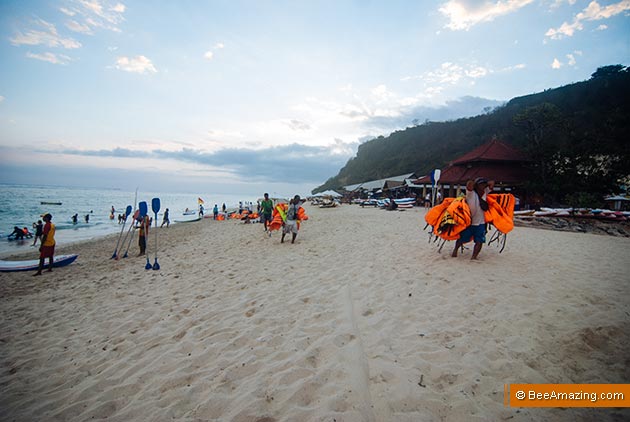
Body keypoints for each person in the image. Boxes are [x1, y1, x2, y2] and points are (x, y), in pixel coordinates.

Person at [452, 177, 494, 260]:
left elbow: (492, 182)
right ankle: (455, 250)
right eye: (480, 184)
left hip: (481, 222)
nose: (482, 186)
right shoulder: (470, 193)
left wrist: (485, 184)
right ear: (476, 185)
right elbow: (469, 185)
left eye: (483, 184)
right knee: (461, 238)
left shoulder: (485, 192)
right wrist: (474, 183)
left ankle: (474, 257)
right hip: (469, 222)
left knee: (480, 241)